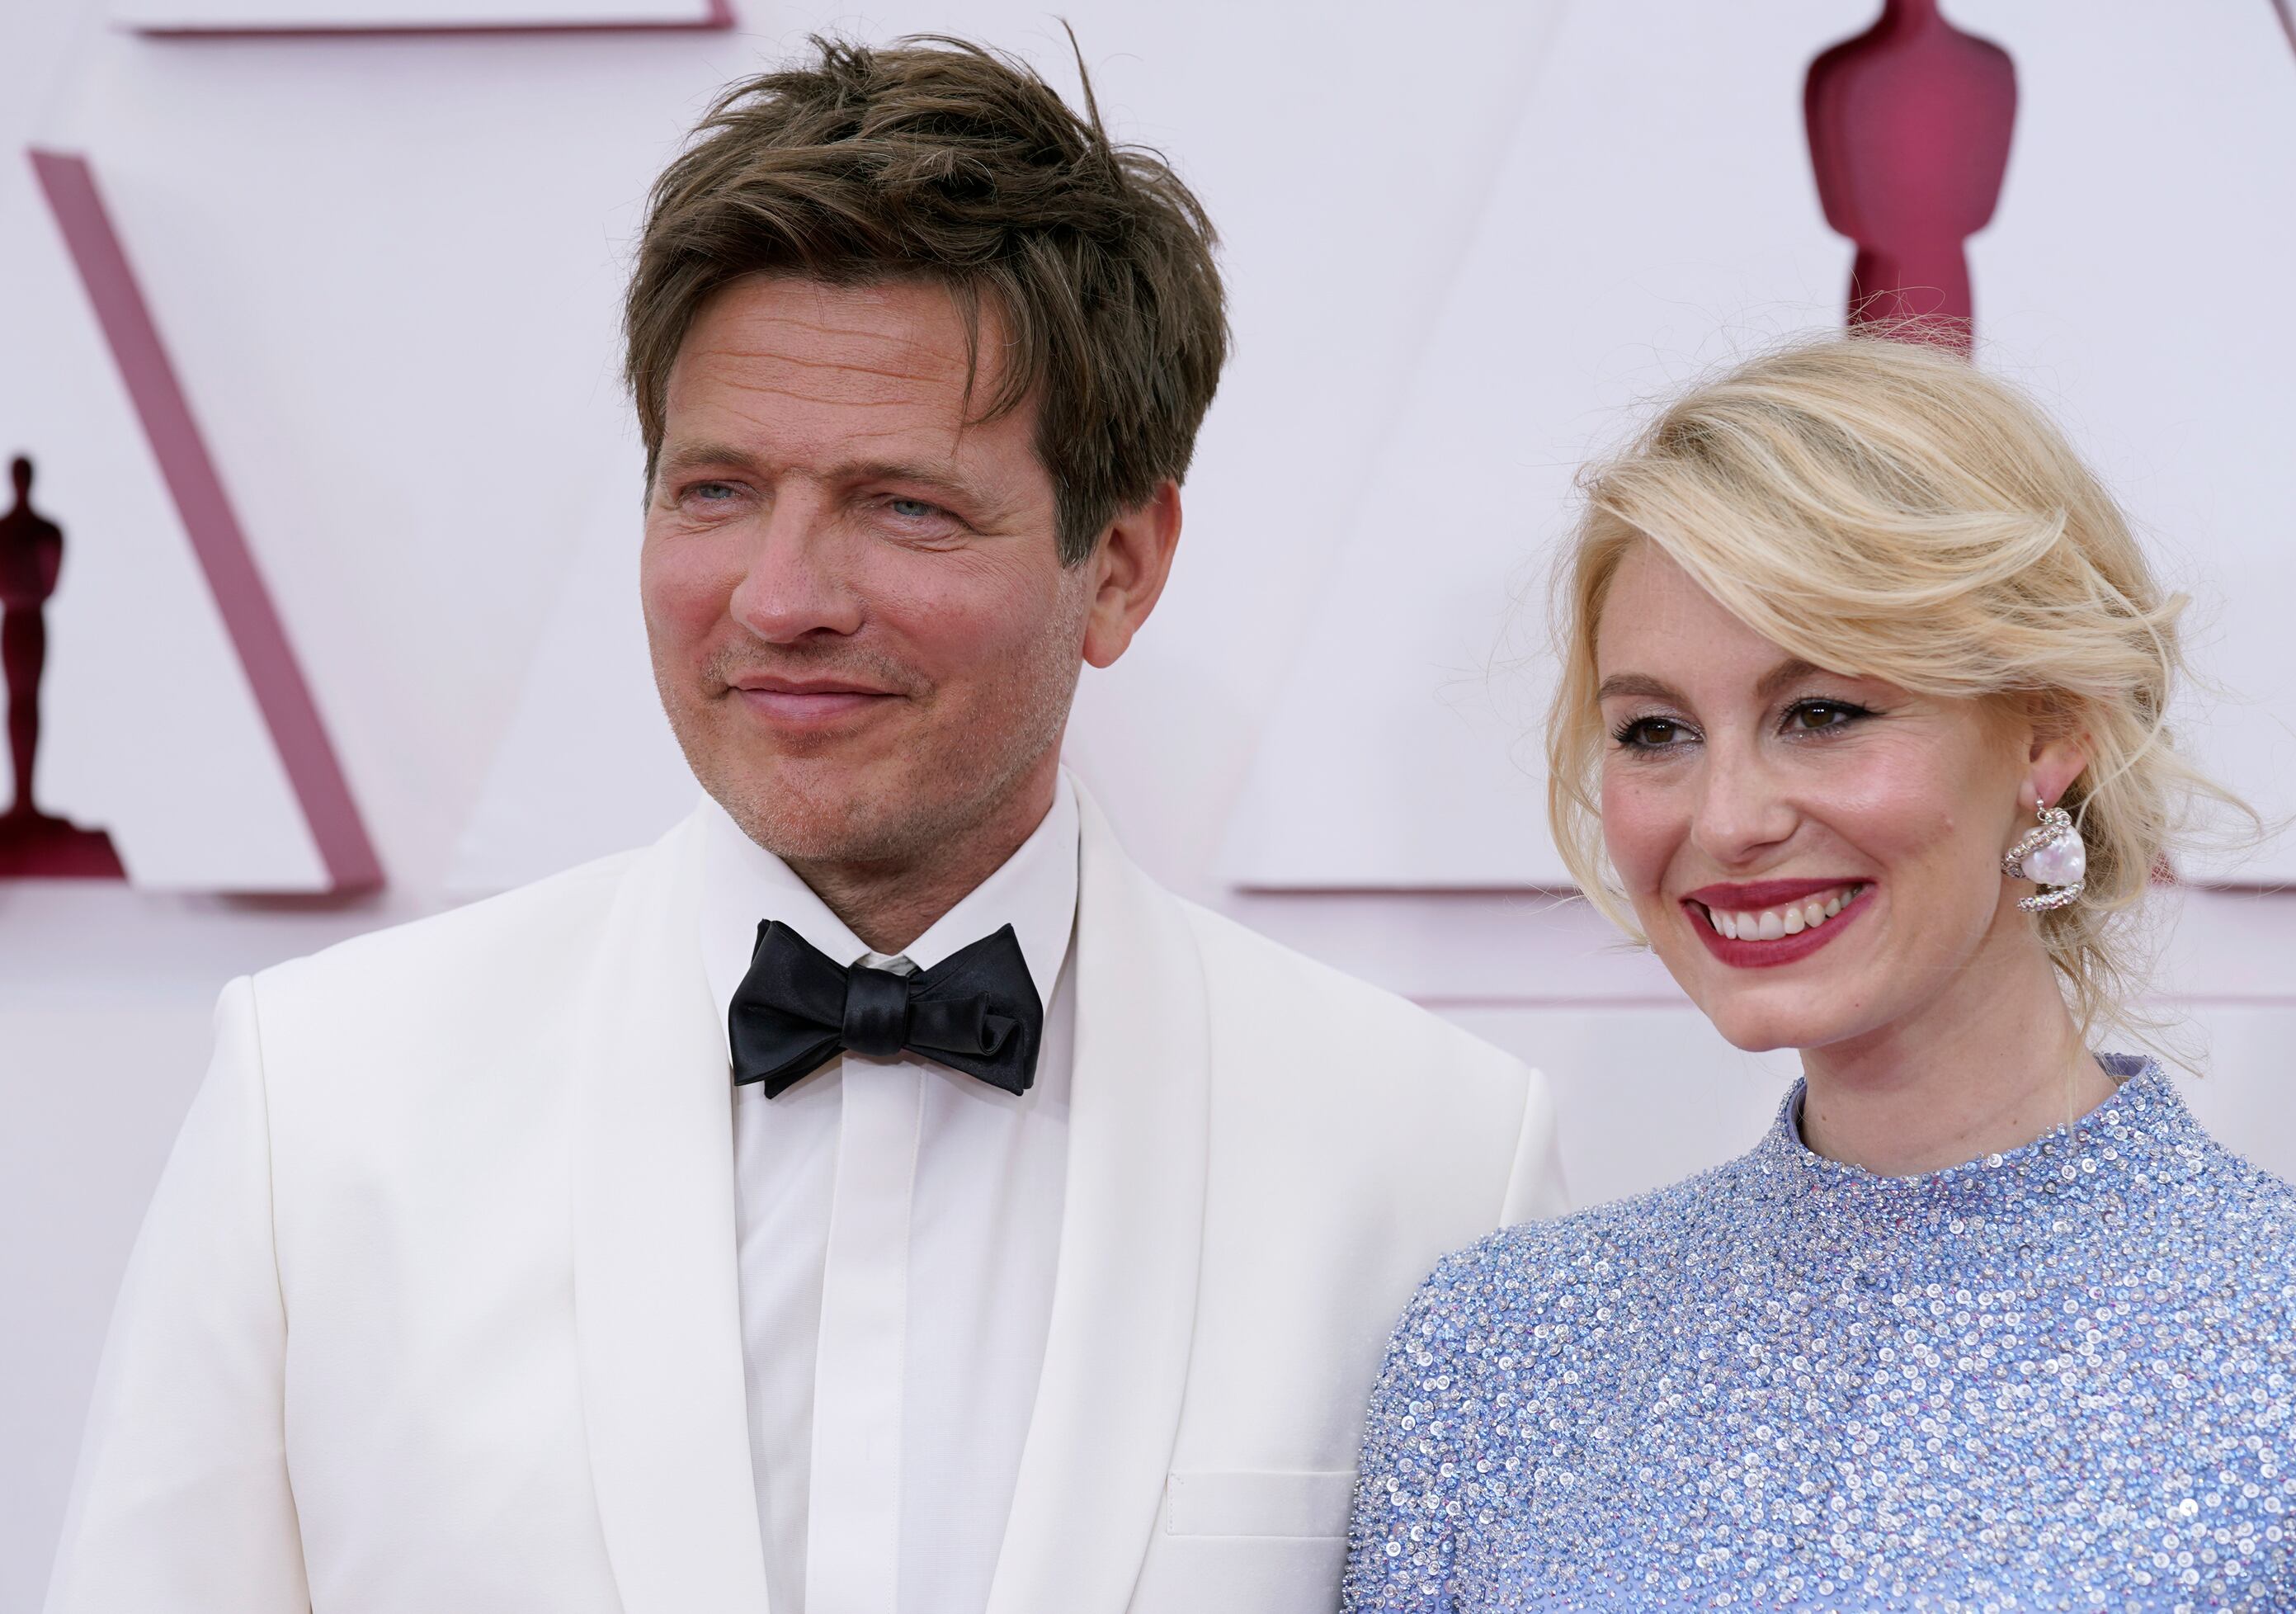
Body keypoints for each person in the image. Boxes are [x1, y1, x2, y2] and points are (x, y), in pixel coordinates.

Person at [45, 35, 1563, 1614]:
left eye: (904, 506)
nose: (779, 601)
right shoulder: (322, 1105)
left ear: (1118, 562)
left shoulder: (1438, 1163)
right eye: (713, 493)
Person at [1342, 335, 2296, 1610]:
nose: (1726, 817)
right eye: (1656, 732)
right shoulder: (1499, 1357)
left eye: (1821, 712)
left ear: (2047, 730)